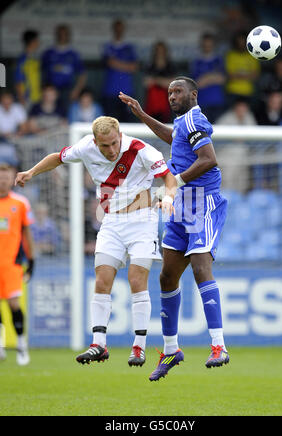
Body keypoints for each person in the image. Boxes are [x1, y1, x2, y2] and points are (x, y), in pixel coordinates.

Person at [15, 116, 177, 367]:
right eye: (105, 146)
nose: (111, 150)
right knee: (102, 280)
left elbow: (169, 178)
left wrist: (167, 198)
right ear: (95, 142)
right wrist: (31, 172)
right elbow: (57, 157)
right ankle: (98, 344)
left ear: (120, 135)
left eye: (114, 143)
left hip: (142, 220)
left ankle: (139, 347)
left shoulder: (141, 150)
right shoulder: (85, 147)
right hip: (111, 222)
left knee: (136, 279)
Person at [119, 76, 229, 381]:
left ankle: (218, 345)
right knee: (167, 276)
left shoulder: (196, 119)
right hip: (182, 202)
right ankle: (171, 350)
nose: (171, 96)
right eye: (169, 92)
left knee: (199, 266)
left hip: (201, 199)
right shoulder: (183, 123)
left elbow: (209, 159)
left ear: (193, 94)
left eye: (178, 91)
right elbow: (173, 137)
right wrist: (142, 115)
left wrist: (175, 182)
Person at [0, 159, 35, 365]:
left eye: (6, 178)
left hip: (12, 264)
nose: (3, 182)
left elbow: (27, 233)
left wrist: (32, 260)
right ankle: (2, 346)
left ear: (11, 179)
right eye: (0, 178)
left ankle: (21, 345)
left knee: (14, 305)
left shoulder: (20, 203)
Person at [42, 24, 87, 113]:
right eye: (60, 34)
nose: (62, 36)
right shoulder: (48, 53)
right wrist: (43, 89)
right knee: (50, 113)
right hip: (51, 90)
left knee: (67, 113)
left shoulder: (73, 54)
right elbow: (41, 72)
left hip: (68, 90)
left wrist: (76, 90)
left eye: (65, 34)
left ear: (68, 35)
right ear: (56, 35)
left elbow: (82, 74)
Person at [101, 19, 138, 122]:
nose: (118, 30)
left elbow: (134, 67)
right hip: (110, 91)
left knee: (127, 122)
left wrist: (116, 63)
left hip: (127, 91)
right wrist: (126, 66)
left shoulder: (129, 48)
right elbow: (109, 62)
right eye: (116, 28)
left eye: (120, 28)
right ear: (113, 29)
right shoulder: (108, 47)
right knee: (109, 123)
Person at [190, 33, 226, 123]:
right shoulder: (196, 62)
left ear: (214, 45)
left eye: (210, 45)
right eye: (205, 45)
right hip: (202, 102)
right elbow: (197, 83)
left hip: (218, 101)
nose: (207, 47)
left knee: (218, 131)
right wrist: (213, 77)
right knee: (203, 131)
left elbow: (222, 79)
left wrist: (206, 78)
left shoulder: (219, 60)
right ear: (202, 45)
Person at [143, 41, 176, 123]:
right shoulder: (150, 65)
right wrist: (163, 82)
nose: (160, 53)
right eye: (158, 50)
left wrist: (156, 80)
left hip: (166, 104)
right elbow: (146, 83)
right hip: (152, 104)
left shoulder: (170, 66)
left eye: (162, 51)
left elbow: (173, 84)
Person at [225, 32, 260, 105]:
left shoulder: (252, 56)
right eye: (239, 41)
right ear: (235, 42)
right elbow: (230, 75)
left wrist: (238, 75)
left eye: (243, 41)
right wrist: (247, 75)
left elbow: (255, 76)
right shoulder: (230, 55)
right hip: (233, 91)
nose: (241, 44)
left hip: (248, 92)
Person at [14, 29, 41, 109]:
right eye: (37, 40)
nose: (39, 43)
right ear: (32, 42)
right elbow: (18, 82)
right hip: (27, 100)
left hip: (38, 98)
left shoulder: (36, 59)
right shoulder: (22, 60)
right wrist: (22, 100)